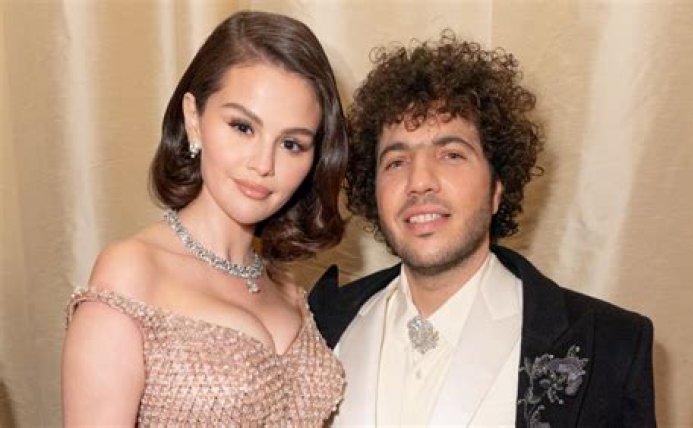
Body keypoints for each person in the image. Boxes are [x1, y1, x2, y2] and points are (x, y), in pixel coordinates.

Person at [309, 31, 655, 427]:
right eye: (396, 162)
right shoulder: (318, 323)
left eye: (451, 155)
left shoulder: (611, 345)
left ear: (497, 188)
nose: (419, 181)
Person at [62, 11, 348, 425]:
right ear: (193, 119)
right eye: (243, 127)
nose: (263, 164)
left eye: (291, 144)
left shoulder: (289, 292)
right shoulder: (133, 272)